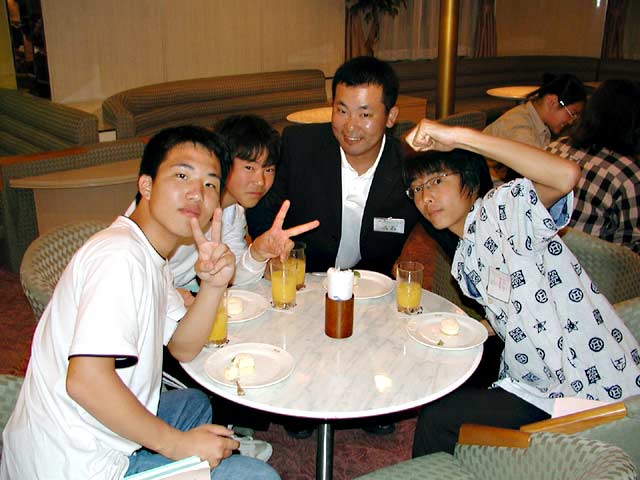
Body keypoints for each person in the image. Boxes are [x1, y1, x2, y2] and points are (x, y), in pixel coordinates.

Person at [0, 126, 280, 480]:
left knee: (193, 404)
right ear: (146, 185)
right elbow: (85, 381)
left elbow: (182, 347)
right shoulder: (119, 256)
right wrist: (178, 445)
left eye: (210, 183)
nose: (197, 193)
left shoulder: (149, 253)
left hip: (88, 430)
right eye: (182, 176)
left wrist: (213, 287)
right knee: (259, 477)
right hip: (74, 464)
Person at [402, 119, 640, 457]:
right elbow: (514, 305)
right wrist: (478, 326)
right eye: (416, 189)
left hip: (585, 387)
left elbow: (566, 175)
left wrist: (460, 137)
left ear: (469, 178)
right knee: (444, 381)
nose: (426, 197)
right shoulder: (465, 255)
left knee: (438, 418)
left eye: (437, 180)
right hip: (532, 377)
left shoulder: (503, 210)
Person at [248, 56, 457, 276]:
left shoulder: (409, 168)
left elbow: (452, 229)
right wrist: (269, 255)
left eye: (365, 114)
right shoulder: (299, 146)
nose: (350, 127)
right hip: (303, 282)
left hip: (371, 288)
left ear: (391, 117)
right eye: (342, 111)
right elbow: (260, 207)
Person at [127, 115, 318, 298]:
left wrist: (257, 253)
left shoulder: (233, 213)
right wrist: (171, 296)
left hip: (185, 295)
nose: (260, 181)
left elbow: (232, 276)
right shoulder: (178, 206)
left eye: (268, 170)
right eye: (249, 168)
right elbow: (134, 266)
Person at [546, 78, 640, 254]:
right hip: (593, 265)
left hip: (539, 256)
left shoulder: (554, 149)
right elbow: (628, 249)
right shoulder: (627, 175)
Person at [484, 73, 586, 184]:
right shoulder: (519, 125)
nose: (571, 121)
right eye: (572, 113)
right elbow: (540, 171)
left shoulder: (539, 124)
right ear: (552, 101)